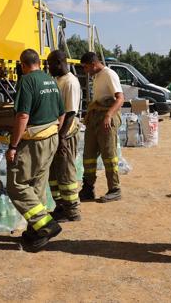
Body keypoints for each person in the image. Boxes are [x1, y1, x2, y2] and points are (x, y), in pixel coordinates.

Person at [6, 49, 65, 251]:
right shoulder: (50, 80)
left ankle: (45, 224)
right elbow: (62, 113)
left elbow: (22, 116)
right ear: (39, 62)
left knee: (16, 184)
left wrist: (13, 145)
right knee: (38, 184)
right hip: (52, 137)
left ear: (23, 65)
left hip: (34, 141)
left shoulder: (27, 81)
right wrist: (54, 131)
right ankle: (35, 231)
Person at [78, 52, 125, 203]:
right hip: (95, 117)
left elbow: (120, 98)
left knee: (109, 155)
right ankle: (88, 188)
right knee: (89, 156)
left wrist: (108, 115)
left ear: (94, 64)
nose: (85, 71)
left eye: (86, 67)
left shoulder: (109, 74)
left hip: (106, 118)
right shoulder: (97, 76)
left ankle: (115, 189)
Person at [46, 50, 82, 222]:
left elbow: (70, 113)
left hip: (65, 135)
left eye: (50, 65)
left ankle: (72, 211)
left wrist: (61, 138)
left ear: (59, 63)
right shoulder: (57, 80)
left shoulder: (70, 82)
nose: (48, 68)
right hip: (56, 134)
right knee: (53, 174)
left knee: (66, 172)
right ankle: (60, 206)